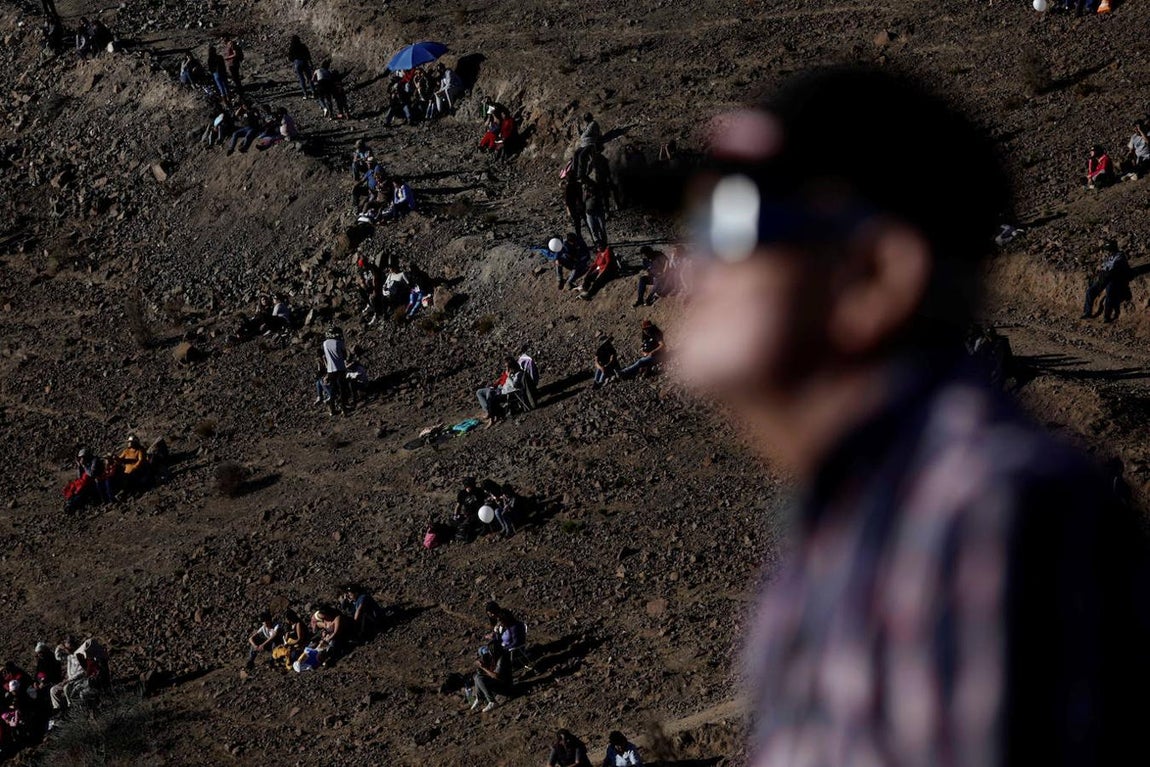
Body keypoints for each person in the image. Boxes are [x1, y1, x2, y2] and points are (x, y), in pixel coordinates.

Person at [678, 65, 1150, 767]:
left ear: (874, 273)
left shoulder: (981, 520)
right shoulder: (850, 524)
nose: (682, 266)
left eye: (733, 224)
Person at [1082, 239, 1132, 322]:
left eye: (1108, 249)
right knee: (1090, 291)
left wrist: (1106, 272)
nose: (1107, 252)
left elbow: (1116, 268)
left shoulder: (1120, 255)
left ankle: (1107, 316)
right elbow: (1104, 268)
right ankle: (1087, 312)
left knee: (1110, 295)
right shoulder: (1110, 257)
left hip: (1114, 277)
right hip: (1105, 277)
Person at [470, 638, 511, 713]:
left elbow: (496, 676)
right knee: (476, 676)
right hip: (498, 683)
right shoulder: (493, 658)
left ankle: (492, 702)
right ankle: (479, 698)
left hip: (505, 686)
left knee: (479, 678)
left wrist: (483, 667)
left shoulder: (501, 659)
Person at [476, 358, 520, 425]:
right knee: (479, 392)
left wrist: (508, 376)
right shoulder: (507, 372)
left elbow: (513, 385)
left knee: (490, 395)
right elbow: (501, 380)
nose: (506, 368)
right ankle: (489, 412)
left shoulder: (515, 374)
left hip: (504, 390)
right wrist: (494, 385)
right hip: (498, 387)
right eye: (505, 367)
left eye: (507, 367)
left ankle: (491, 416)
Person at [322, 326, 351, 415]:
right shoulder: (339, 342)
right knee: (342, 389)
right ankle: (343, 408)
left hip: (330, 370)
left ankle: (332, 409)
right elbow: (345, 355)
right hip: (340, 368)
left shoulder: (325, 343)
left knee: (333, 390)